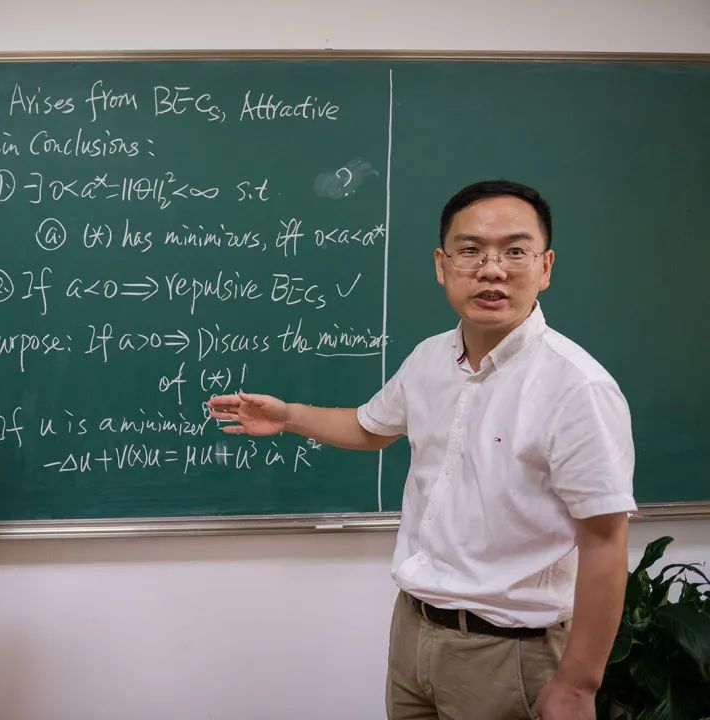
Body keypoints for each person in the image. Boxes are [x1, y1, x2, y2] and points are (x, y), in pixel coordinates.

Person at [209, 180, 634, 720]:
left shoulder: (577, 387)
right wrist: (288, 416)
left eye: (515, 251)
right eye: (470, 250)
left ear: (545, 267)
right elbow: (370, 427)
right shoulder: (431, 358)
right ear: (442, 264)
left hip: (509, 652)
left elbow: (604, 541)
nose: (491, 269)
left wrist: (578, 683)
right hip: (415, 633)